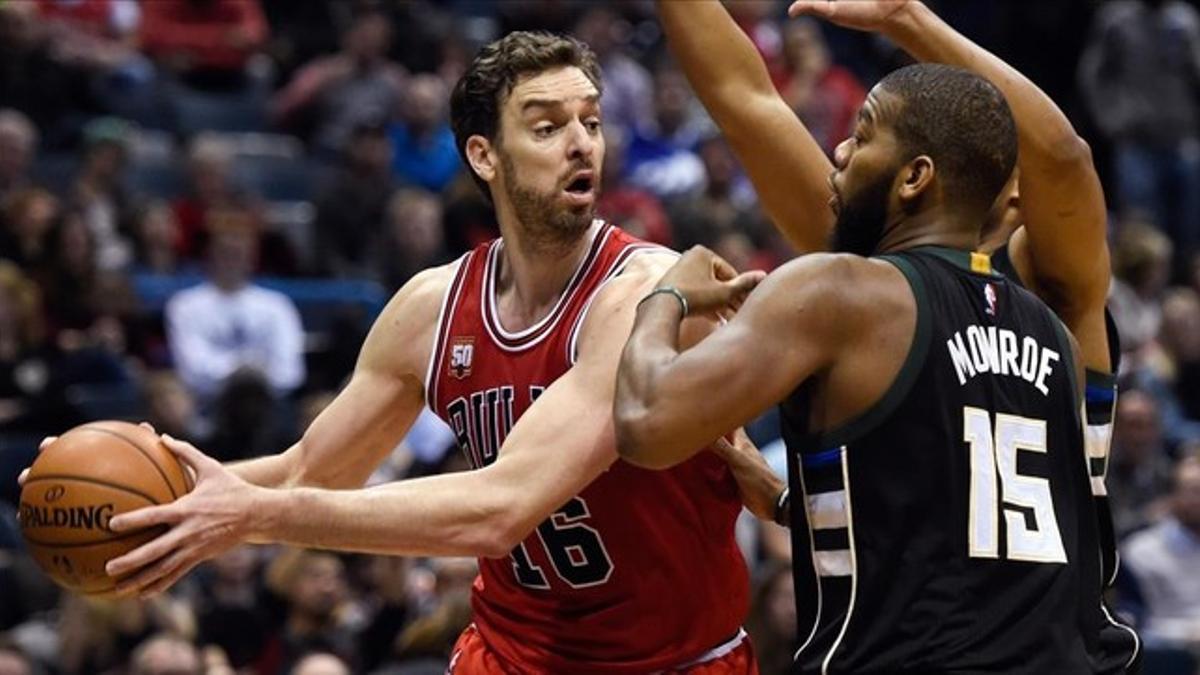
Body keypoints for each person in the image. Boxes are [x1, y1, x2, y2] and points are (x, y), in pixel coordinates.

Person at [31, 32, 775, 674]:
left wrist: (254, 514)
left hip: (676, 657)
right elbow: (313, 471)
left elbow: (501, 508)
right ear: (484, 154)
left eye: (590, 121)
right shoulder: (433, 307)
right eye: (546, 127)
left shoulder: (645, 293)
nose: (581, 142)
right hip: (511, 649)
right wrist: (155, 512)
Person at [658, 0, 1137, 666]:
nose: (841, 153)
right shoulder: (876, 291)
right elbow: (747, 103)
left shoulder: (1058, 301)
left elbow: (1062, 155)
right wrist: (794, 504)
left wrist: (909, 22)